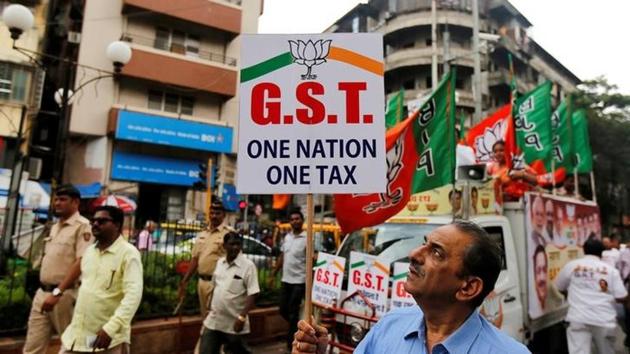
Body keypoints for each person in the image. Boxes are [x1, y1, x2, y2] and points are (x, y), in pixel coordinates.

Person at [291, 221, 529, 354]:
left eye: (436, 252)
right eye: (424, 244)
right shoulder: (388, 326)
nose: (414, 254)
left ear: (468, 288)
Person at [60, 206, 143, 353]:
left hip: (105, 338)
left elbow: (133, 295)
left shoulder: (128, 253)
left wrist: (110, 329)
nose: (95, 224)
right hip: (76, 336)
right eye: (94, 221)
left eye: (102, 221)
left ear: (117, 225)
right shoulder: (90, 252)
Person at [23, 185, 93, 354]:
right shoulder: (55, 226)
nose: (57, 203)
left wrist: (57, 293)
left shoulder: (83, 226)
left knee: (71, 345)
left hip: (65, 295)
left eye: (63, 200)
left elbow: (81, 260)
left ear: (75, 202)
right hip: (42, 293)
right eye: (55, 199)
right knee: (32, 346)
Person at [555, 238, 627, 354]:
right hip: (604, 319)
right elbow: (621, 296)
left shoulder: (572, 266)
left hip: (578, 317)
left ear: (584, 250)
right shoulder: (611, 271)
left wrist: (572, 295)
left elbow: (559, 286)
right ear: (601, 252)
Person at [199, 232, 259, 354]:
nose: (235, 247)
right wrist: (208, 309)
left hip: (234, 322)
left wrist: (242, 317)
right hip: (214, 320)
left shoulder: (248, 266)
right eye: (232, 244)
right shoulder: (220, 263)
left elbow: (253, 293)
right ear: (224, 246)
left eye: (238, 244)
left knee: (238, 350)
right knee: (206, 350)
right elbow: (215, 288)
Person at [179, 199, 232, 316]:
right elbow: (195, 259)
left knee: (214, 316)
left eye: (217, 213)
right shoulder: (203, 233)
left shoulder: (229, 234)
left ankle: (207, 334)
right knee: (205, 315)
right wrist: (185, 280)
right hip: (202, 282)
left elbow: (235, 260)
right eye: (212, 213)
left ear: (224, 215)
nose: (214, 216)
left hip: (218, 283)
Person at [272, 209, 307, 352]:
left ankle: (290, 342)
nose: (295, 221)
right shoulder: (287, 237)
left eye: (297, 218)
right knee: (282, 310)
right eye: (292, 219)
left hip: (299, 281)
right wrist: (273, 273)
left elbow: (312, 259)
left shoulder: (307, 238)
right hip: (286, 280)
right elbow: (282, 256)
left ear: (302, 220)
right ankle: (296, 326)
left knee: (292, 312)